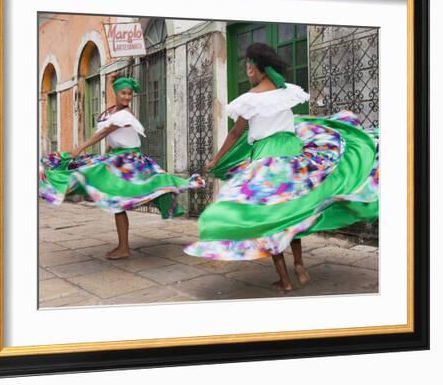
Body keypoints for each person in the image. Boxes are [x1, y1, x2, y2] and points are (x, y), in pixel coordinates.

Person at [184, 42, 379, 293]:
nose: (246, 71)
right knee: (292, 210)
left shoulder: (249, 100)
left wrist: (216, 160)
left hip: (268, 159)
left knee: (270, 218)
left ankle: (285, 280)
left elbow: (235, 133)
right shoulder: (287, 93)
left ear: (255, 69)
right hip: (294, 156)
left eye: (247, 67)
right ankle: (299, 264)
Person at [39, 73, 205, 260]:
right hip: (117, 158)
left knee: (116, 198)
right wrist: (106, 155)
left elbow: (103, 133)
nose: (127, 97)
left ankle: (123, 247)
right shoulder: (111, 112)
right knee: (101, 188)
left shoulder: (125, 114)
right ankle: (122, 245)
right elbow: (112, 138)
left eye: (129, 94)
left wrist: (80, 148)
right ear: (116, 93)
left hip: (130, 160)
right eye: (123, 93)